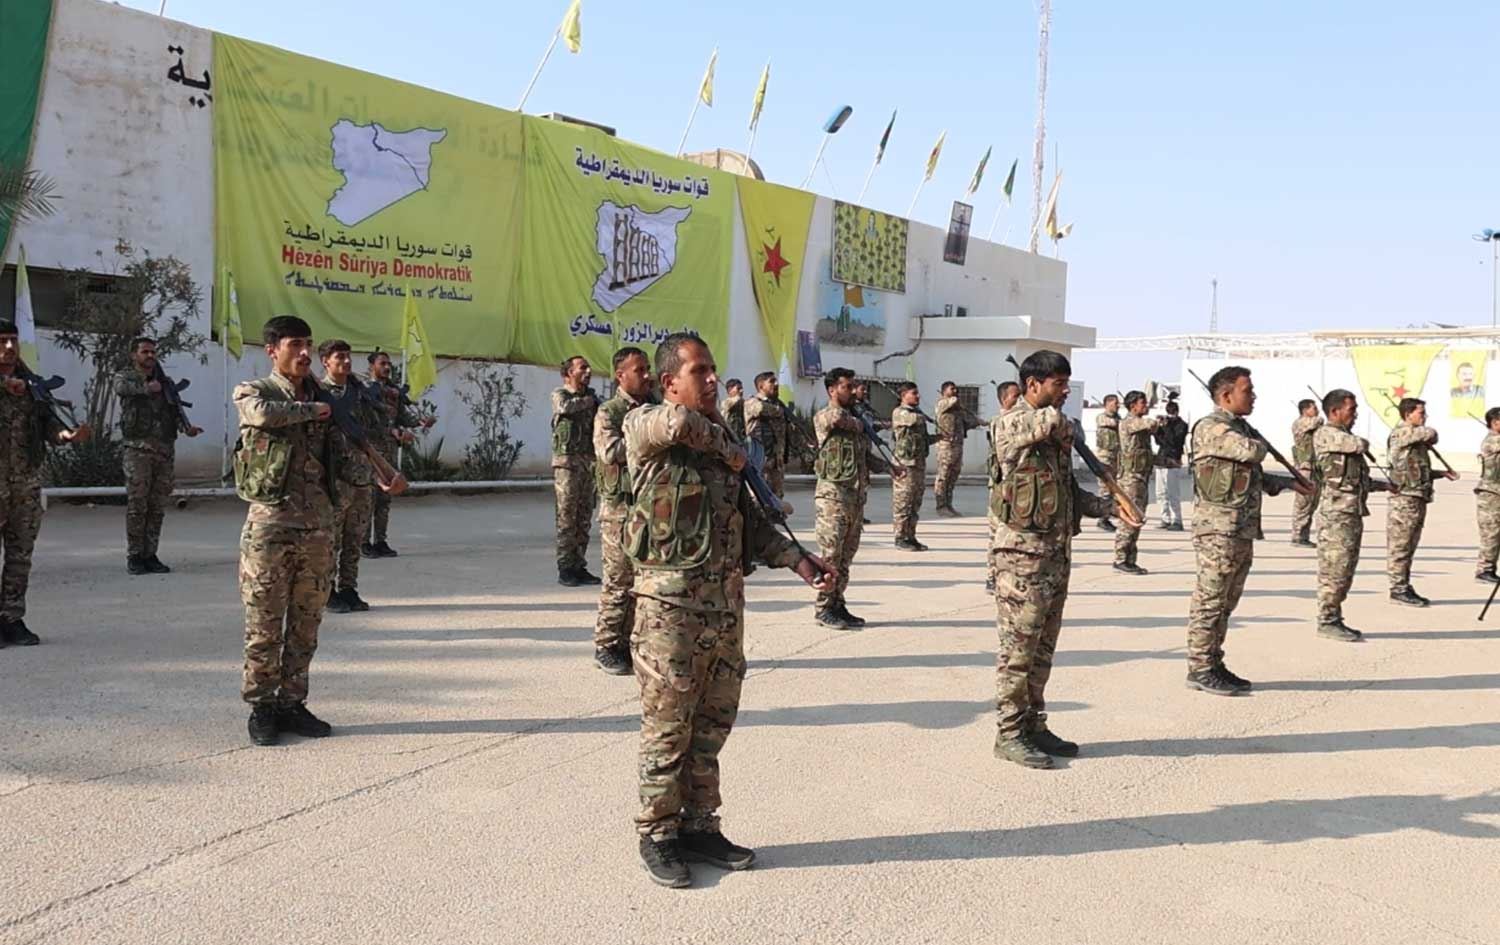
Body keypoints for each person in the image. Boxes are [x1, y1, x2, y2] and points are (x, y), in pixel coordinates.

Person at [623, 332, 833, 888]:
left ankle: (699, 825)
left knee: (711, 728)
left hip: (723, 612)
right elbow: (675, 425)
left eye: (714, 369)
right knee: (668, 729)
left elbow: (750, 525)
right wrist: (731, 449)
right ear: (670, 383)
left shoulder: (723, 443)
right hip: (669, 615)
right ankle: (658, 834)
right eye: (700, 371)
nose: (712, 379)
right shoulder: (647, 429)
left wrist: (797, 559)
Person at [233, 316, 402, 746]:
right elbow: (260, 415)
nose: (305, 353)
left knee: (306, 625)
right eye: (296, 345)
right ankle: (262, 708)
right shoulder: (256, 391)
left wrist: (377, 473)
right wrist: (315, 410)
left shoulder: (331, 404)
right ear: (273, 350)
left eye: (309, 344)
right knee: (265, 625)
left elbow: (344, 460)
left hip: (318, 531)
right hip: (270, 530)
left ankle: (293, 702)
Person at [991, 350, 1119, 769]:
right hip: (1021, 560)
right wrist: (1068, 427)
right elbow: (1047, 422)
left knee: (1043, 650)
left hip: (1055, 556)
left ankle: (1033, 724)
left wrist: (1106, 507)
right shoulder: (1013, 422)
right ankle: (1008, 734)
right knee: (1018, 650)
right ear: (1031, 386)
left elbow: (1063, 492)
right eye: (1058, 384)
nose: (1065, 392)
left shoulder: (1053, 433)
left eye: (1067, 383)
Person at [1184, 367, 1308, 695]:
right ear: (1226, 396)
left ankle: (1213, 660)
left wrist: (1287, 483)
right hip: (1218, 530)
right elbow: (1251, 452)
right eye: (1247, 391)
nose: (1253, 396)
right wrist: (1260, 440)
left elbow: (1253, 476)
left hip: (1241, 528)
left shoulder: (1238, 428)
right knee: (1210, 599)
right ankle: (1199, 666)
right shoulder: (1212, 428)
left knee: (1227, 599)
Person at [0, 321, 91, 648]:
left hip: (25, 484)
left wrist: (67, 435)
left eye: (13, 341)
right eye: (2, 342)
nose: (9, 348)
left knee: (20, 553)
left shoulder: (32, 386)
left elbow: (50, 423)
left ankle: (12, 618)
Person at [814, 367, 900, 628]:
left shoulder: (855, 420)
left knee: (845, 558)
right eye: (847, 387)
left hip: (855, 499)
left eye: (854, 386)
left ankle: (837, 603)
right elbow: (835, 419)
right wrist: (860, 421)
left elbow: (866, 458)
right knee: (830, 557)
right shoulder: (826, 416)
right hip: (833, 499)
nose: (853, 391)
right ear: (832, 390)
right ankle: (822, 608)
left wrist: (889, 467)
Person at [112, 336, 202, 574]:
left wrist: (187, 428)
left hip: (164, 450)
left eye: (153, 352)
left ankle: (150, 554)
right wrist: (145, 387)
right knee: (137, 504)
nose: (150, 356)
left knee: (157, 506)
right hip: (137, 450)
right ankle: (134, 556)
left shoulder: (166, 383)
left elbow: (175, 410)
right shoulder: (126, 376)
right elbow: (121, 389)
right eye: (145, 352)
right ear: (134, 355)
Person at [1313, 389, 1395, 642]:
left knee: (1345, 569)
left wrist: (1385, 486)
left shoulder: (1345, 441)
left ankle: (1335, 616)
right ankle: (1327, 620)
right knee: (1334, 570)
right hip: (1335, 516)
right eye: (1351, 410)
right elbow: (1358, 444)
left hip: (1351, 513)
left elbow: (1357, 481)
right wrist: (1359, 442)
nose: (1355, 414)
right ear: (1334, 412)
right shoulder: (1326, 434)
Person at [592, 346, 653, 675]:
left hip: (650, 509)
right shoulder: (610, 412)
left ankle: (630, 642)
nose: (647, 375)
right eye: (639, 370)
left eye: (647, 369)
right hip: (619, 512)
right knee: (618, 581)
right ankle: (606, 644)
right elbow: (609, 451)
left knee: (643, 582)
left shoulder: (654, 408)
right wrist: (646, 433)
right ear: (620, 375)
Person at [319, 340, 381, 614]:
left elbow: (372, 431)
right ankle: (327, 591)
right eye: (339, 357)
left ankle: (349, 588)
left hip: (362, 478)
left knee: (354, 539)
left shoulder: (359, 393)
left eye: (348, 357)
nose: (345, 362)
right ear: (326, 362)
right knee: (331, 540)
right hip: (335, 480)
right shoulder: (318, 394)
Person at [1386, 397, 1458, 606]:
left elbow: (1417, 470)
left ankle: (1403, 585)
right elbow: (1432, 434)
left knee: (1410, 545)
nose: (1424, 417)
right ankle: (1397, 589)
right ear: (1408, 415)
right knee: (1400, 546)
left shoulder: (1414, 440)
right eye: (1420, 413)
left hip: (1417, 495)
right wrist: (1427, 436)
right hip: (1404, 498)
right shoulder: (1402, 432)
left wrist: (1441, 473)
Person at [362, 350, 432, 558]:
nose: (386, 367)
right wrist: (392, 431)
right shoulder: (364, 390)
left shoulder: (393, 391)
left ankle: (381, 541)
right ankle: (363, 543)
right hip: (371, 452)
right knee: (368, 498)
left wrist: (419, 422)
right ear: (371, 366)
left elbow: (400, 417)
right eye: (382, 363)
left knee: (385, 499)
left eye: (388, 364)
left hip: (389, 451)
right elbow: (365, 422)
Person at [550, 355, 601, 586]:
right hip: (567, 465)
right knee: (566, 518)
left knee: (584, 518)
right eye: (582, 368)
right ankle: (565, 568)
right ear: (568, 373)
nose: (588, 371)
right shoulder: (560, 394)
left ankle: (579, 565)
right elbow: (564, 408)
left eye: (588, 368)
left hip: (588, 464)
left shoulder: (592, 398)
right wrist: (589, 402)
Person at [1113, 391, 1161, 575]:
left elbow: (1144, 455)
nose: (1146, 406)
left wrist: (1165, 461)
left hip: (1141, 478)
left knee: (1137, 518)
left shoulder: (1141, 431)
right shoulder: (1129, 422)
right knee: (1129, 518)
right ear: (1133, 406)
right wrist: (1158, 421)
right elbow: (1150, 423)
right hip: (1130, 480)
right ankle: (1120, 558)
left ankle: (1129, 559)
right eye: (1143, 403)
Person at [891, 382, 938, 552]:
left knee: (914, 502)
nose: (918, 396)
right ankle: (900, 537)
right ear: (904, 395)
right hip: (904, 464)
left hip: (918, 464)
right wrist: (928, 416)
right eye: (914, 393)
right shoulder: (900, 412)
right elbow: (911, 420)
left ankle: (910, 536)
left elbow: (924, 438)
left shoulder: (917, 414)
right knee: (902, 502)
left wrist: (939, 437)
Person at [985, 381, 1021, 591]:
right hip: (1001, 486)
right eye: (1015, 396)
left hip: (1015, 487)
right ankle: (992, 575)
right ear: (1004, 399)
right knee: (997, 534)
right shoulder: (1000, 421)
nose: (1019, 401)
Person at [933, 381, 982, 516]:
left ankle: (948, 504)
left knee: (953, 476)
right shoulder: (942, 404)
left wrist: (977, 421)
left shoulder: (956, 410)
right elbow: (953, 401)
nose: (955, 391)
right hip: (945, 446)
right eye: (952, 389)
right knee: (943, 476)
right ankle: (941, 506)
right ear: (943, 391)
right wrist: (959, 403)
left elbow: (968, 422)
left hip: (958, 445)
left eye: (956, 389)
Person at [743, 371, 789, 497]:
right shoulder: (751, 402)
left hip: (776, 465)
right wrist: (780, 411)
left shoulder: (778, 404)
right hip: (759, 463)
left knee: (777, 501)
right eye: (772, 381)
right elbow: (760, 409)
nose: (776, 384)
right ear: (761, 386)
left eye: (776, 381)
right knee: (758, 500)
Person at [1290, 399, 1324, 547]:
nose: (1316, 409)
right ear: (1305, 410)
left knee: (1312, 504)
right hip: (1305, 470)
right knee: (1303, 504)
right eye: (1313, 407)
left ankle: (1303, 535)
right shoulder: (1301, 423)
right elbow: (1319, 421)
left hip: (1315, 468)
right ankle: (1297, 536)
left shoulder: (1312, 426)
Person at [1152, 398, 1188, 531]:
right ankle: (1165, 518)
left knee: (1173, 492)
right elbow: (1159, 441)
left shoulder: (1182, 425)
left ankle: (1177, 520)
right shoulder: (1165, 424)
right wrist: (1157, 429)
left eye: (1172, 412)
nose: (1170, 415)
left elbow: (1174, 441)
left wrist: (1167, 426)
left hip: (1173, 460)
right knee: (1160, 492)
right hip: (1162, 460)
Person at [1475, 407, 1500, 583]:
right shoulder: (1492, 441)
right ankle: (1484, 570)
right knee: (1491, 533)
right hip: (1491, 494)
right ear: (1495, 423)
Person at [1094, 394, 1121, 531]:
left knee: (1113, 490)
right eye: (1115, 403)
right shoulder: (1102, 417)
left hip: (1115, 458)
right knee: (1105, 490)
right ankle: (1103, 519)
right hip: (1104, 459)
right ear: (1107, 403)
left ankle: (1108, 515)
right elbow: (1113, 424)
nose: (1118, 405)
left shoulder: (1119, 419)